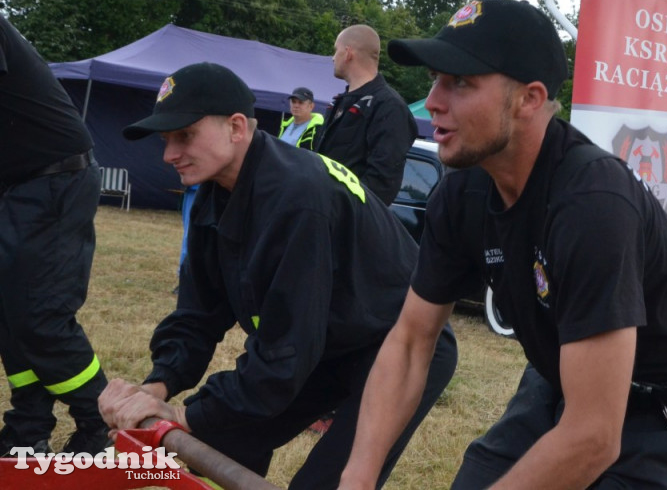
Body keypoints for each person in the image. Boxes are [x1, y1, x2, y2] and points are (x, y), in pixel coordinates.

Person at [338, 0, 667, 490]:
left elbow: (592, 436)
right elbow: (412, 342)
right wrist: (357, 475)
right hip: (567, 383)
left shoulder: (592, 202)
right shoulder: (461, 191)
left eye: (460, 82)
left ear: (528, 99)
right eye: (436, 78)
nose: (433, 100)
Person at [98, 62, 457, 490]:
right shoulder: (216, 193)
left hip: (400, 344)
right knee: (223, 439)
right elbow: (199, 314)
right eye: (165, 140)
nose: (169, 154)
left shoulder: (297, 197)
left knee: (327, 483)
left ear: (236, 128)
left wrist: (186, 414)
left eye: (184, 135)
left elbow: (285, 356)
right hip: (329, 340)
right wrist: (158, 385)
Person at [0, 13, 109, 456]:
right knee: (10, 314)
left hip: (54, 179)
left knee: (41, 317)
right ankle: (27, 430)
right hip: (23, 183)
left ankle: (100, 424)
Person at [315, 25, 417, 206]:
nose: (332, 57)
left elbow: (381, 186)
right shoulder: (340, 102)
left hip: (348, 224)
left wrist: (339, 213)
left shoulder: (388, 106)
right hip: (322, 214)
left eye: (335, 50)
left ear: (348, 53)